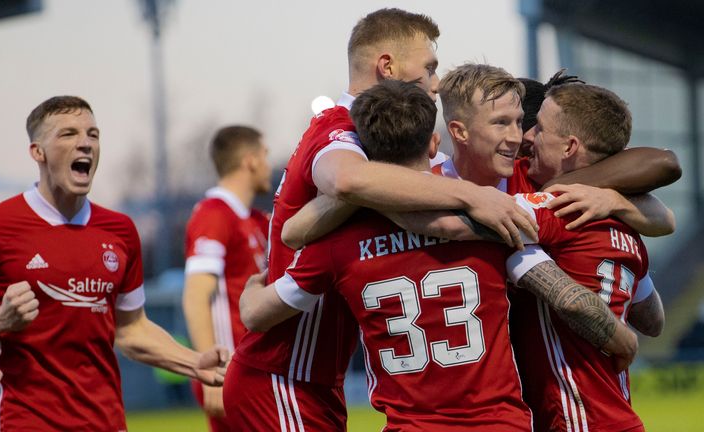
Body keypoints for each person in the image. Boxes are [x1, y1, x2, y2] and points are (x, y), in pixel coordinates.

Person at [239, 79, 638, 431]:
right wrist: (622, 339)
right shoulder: (494, 224)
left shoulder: (336, 244)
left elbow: (261, 307)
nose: (520, 135)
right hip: (500, 424)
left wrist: (249, 293)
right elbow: (568, 296)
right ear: (435, 144)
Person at [224, 9, 538, 431]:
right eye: (428, 67)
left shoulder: (361, 161)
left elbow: (298, 228)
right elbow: (347, 180)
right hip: (284, 372)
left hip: (310, 374)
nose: (437, 81)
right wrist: (471, 195)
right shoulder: (341, 131)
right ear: (387, 67)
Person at [0, 96, 227, 431]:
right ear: (38, 152)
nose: (85, 144)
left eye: (93, 134)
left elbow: (132, 329)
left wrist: (194, 362)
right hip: (27, 421)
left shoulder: (121, 231)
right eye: (68, 134)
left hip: (106, 422)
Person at [508, 83, 666, 432]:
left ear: (569, 146)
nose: (527, 136)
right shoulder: (629, 227)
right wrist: (623, 202)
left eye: (539, 127)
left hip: (578, 419)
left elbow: (479, 215)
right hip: (618, 413)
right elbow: (654, 321)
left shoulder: (557, 209)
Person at [183, 125, 270, 430]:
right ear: (251, 161)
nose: (269, 164)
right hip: (230, 370)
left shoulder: (255, 220)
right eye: (265, 155)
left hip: (258, 370)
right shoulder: (214, 214)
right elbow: (196, 296)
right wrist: (211, 373)